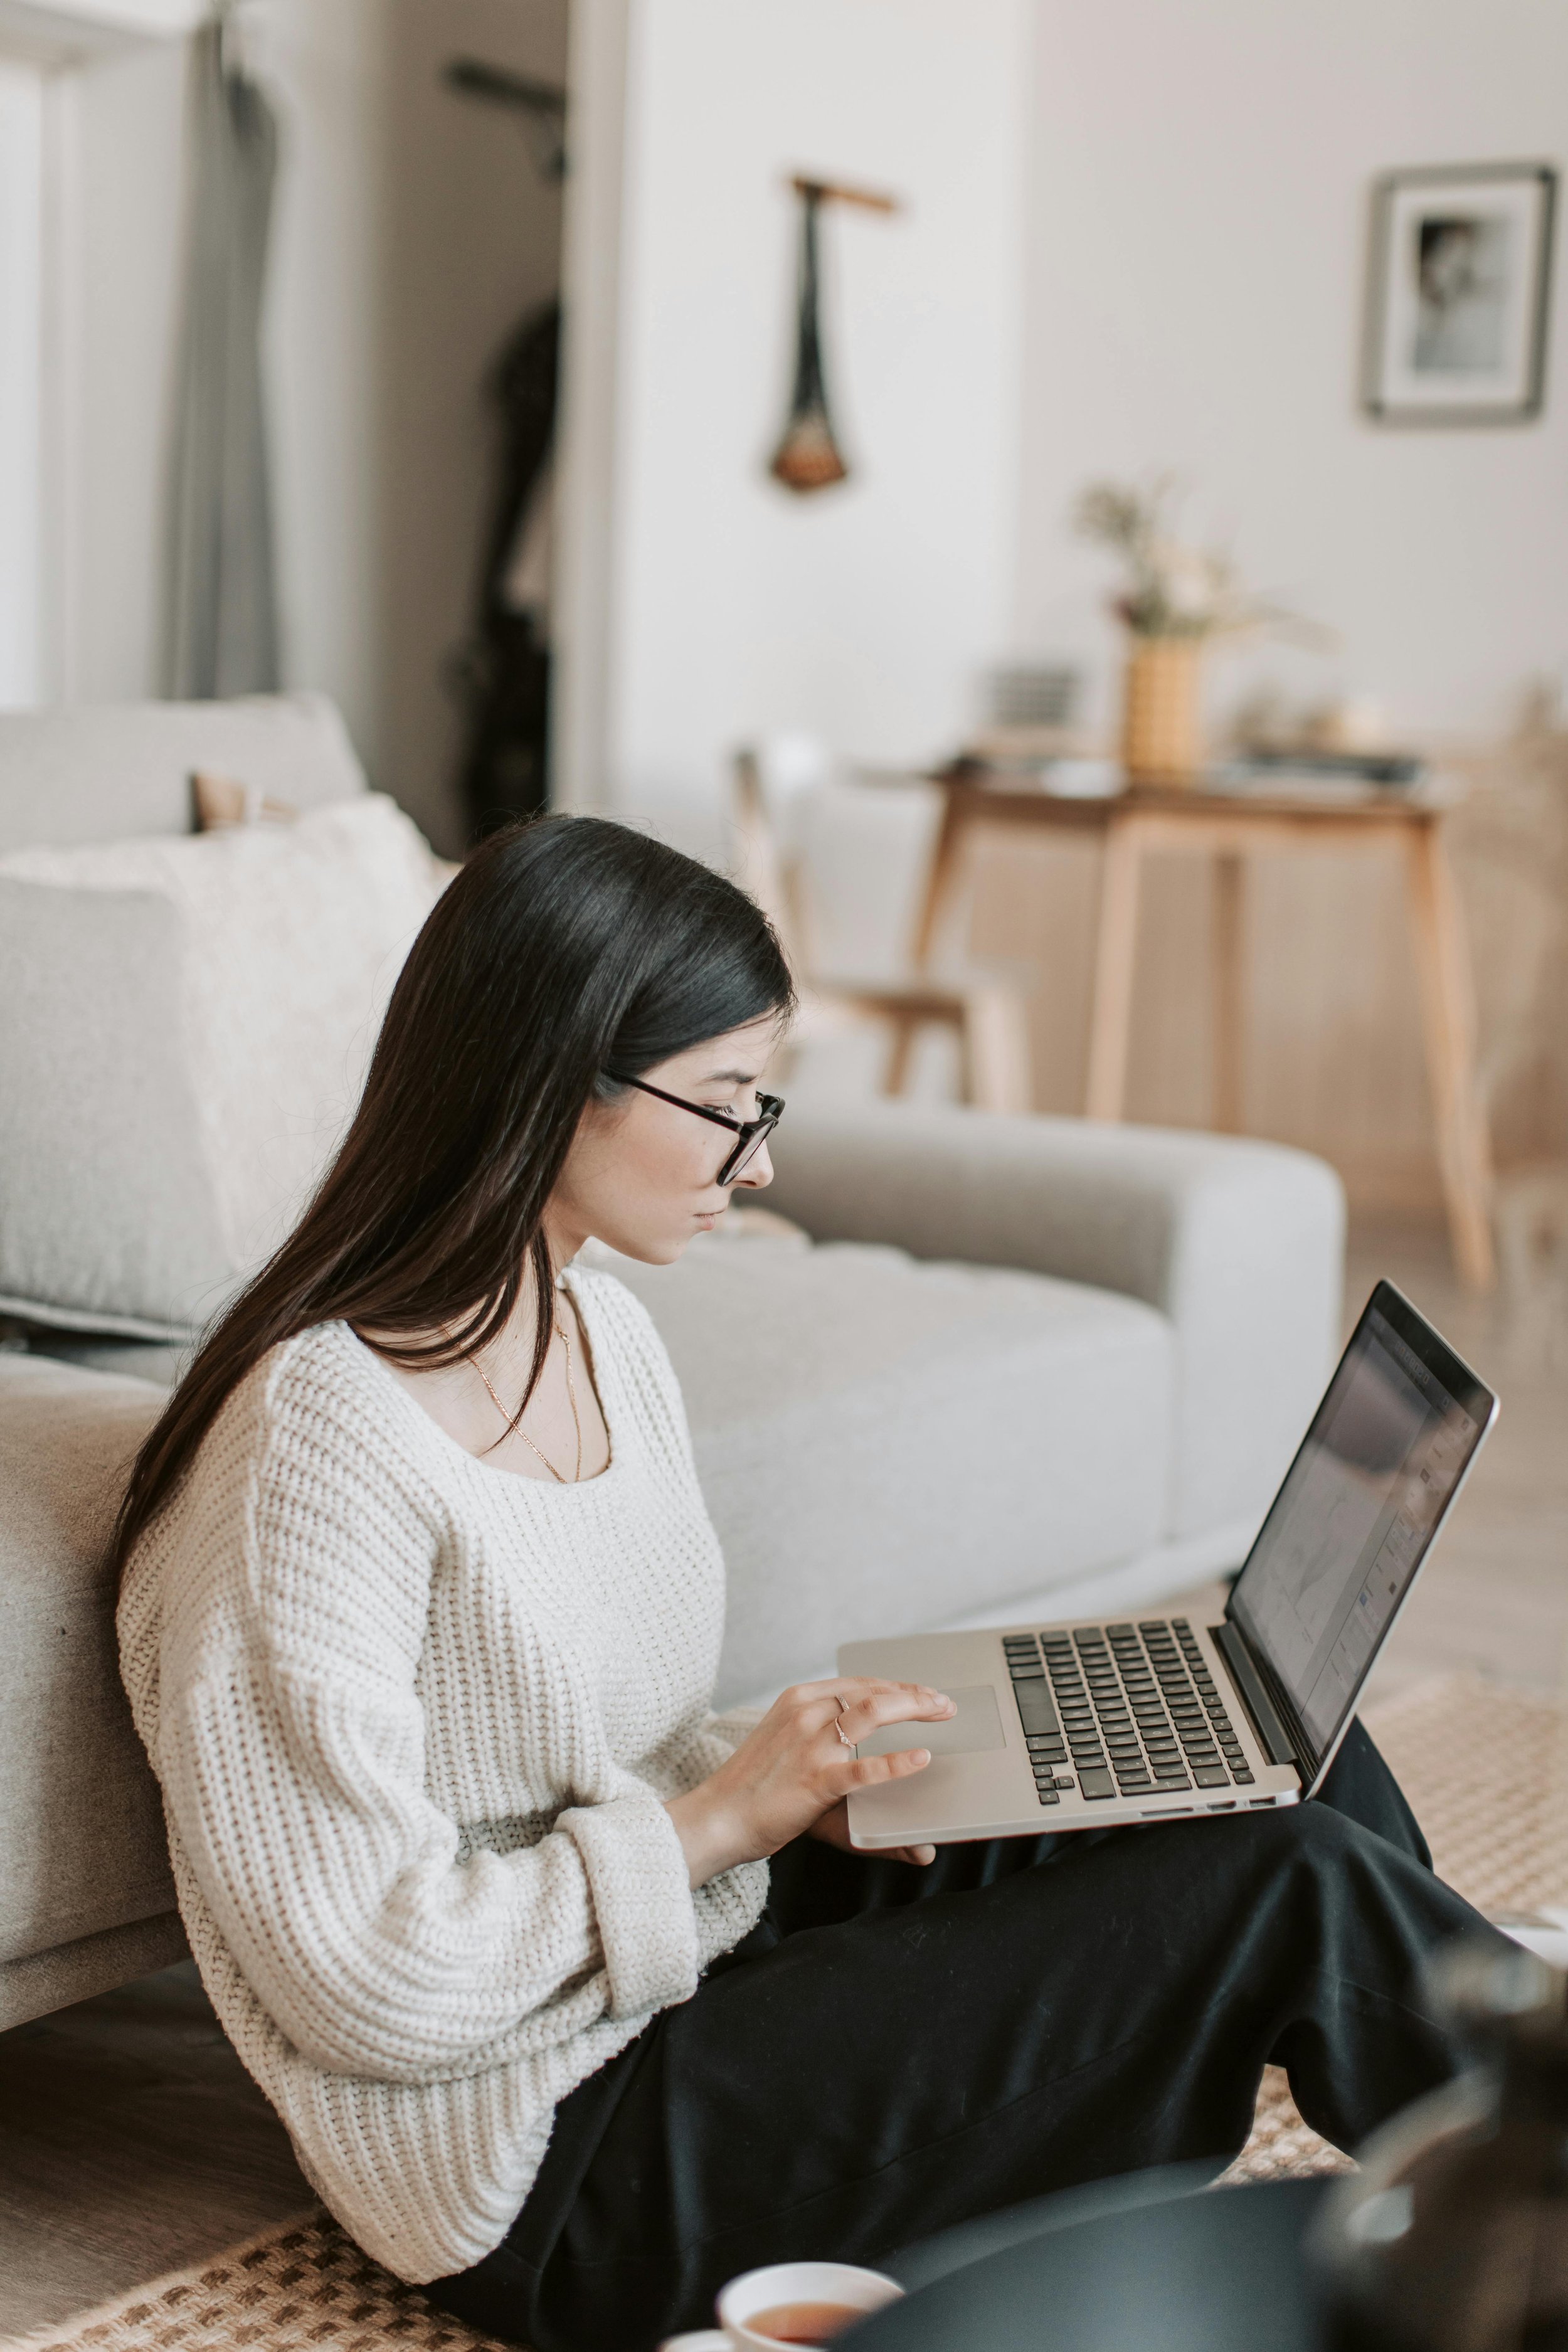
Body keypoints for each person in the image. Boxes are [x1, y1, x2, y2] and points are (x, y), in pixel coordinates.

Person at [115, 816, 1500, 2352]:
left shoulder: (600, 1336)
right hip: (547, 2156)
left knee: (1271, 1762)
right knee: (1282, 1892)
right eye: (722, 1106)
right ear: (548, 1079)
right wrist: (719, 1818)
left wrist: (788, 1779)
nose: (760, 1161)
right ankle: (1526, 2139)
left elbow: (588, 1758)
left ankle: (1486, 2060)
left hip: (682, 1950)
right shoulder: (314, 1443)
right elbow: (359, 1977)